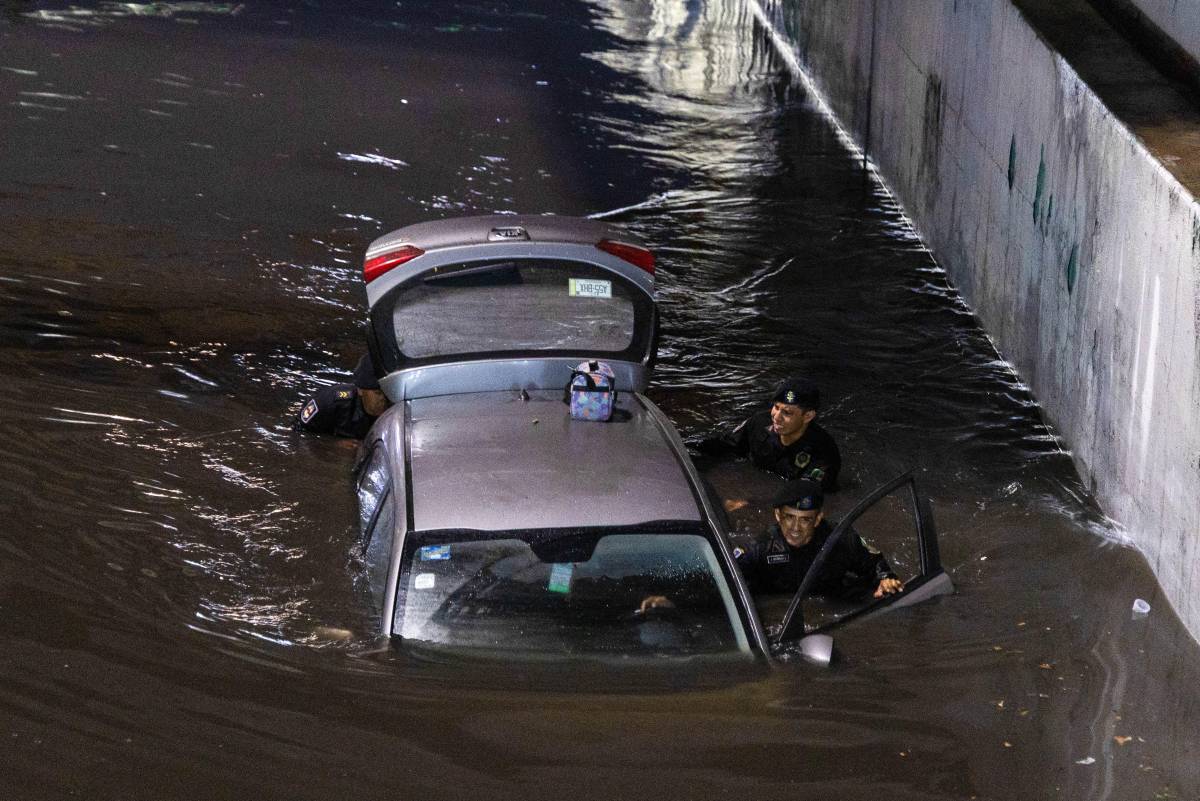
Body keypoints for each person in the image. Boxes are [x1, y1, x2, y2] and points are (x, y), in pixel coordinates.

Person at [734, 479, 902, 600]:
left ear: (818, 519)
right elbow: (731, 581)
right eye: (789, 517)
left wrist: (885, 579)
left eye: (805, 520)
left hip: (831, 597)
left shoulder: (839, 540)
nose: (795, 528)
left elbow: (874, 564)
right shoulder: (760, 548)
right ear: (778, 515)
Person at [698, 377, 841, 493]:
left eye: (787, 413)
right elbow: (726, 445)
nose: (776, 417)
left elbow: (804, 496)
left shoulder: (824, 454)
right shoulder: (759, 423)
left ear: (808, 416)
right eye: (776, 407)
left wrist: (748, 500)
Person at [292, 354, 389, 439]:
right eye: (378, 393)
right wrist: (333, 444)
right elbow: (299, 432)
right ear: (360, 390)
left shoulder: (395, 404)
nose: (384, 398)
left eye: (388, 392)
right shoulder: (329, 402)